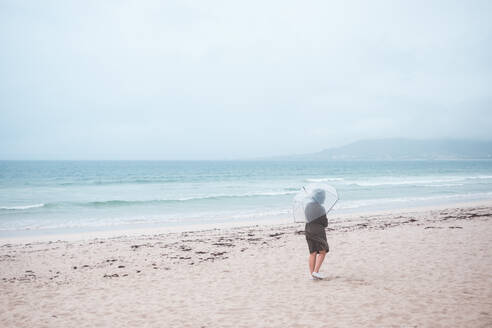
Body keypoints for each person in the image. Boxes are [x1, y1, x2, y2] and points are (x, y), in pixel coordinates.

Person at [304, 189, 329, 280]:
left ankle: (312, 275)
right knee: (323, 251)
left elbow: (307, 217)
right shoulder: (321, 208)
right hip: (318, 231)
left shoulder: (307, 206)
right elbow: (325, 223)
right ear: (321, 198)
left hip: (308, 229)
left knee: (312, 252)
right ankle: (316, 271)